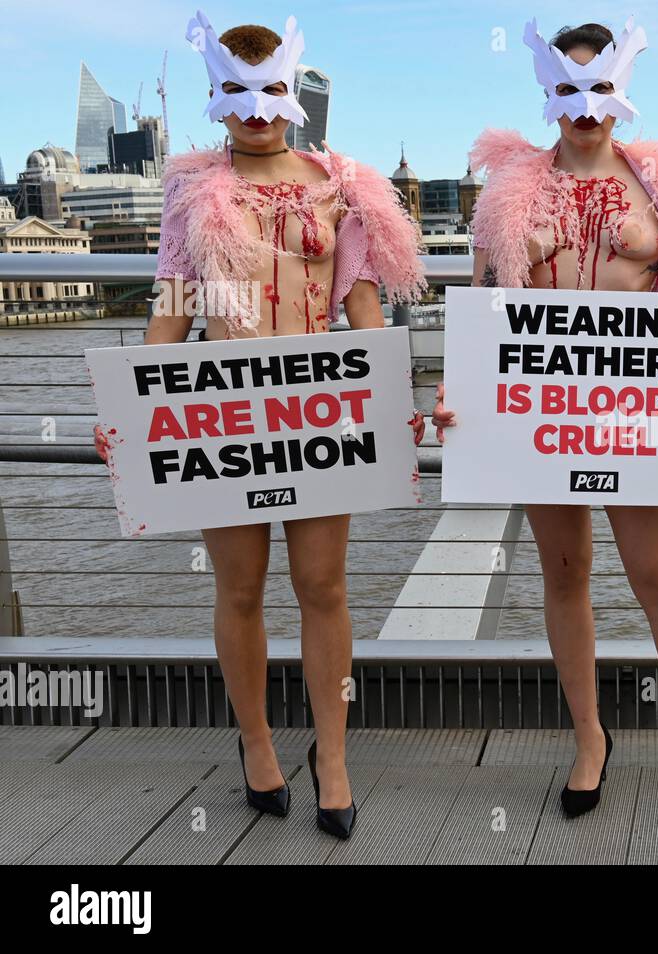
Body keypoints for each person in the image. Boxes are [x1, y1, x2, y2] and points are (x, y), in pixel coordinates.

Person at [94, 11, 427, 840]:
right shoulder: (190, 192)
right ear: (214, 95)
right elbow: (173, 310)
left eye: (269, 89)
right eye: (234, 92)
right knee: (238, 588)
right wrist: (130, 411)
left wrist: (395, 396)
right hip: (220, 412)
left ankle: (335, 754)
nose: (253, 107)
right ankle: (254, 742)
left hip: (317, 403)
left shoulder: (342, 186)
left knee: (324, 586)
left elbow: (361, 303)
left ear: (295, 93)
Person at [434, 17, 658, 852]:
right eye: (569, 87)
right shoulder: (509, 195)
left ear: (623, 92)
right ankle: (590, 739)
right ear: (546, 92)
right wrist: (451, 391)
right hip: (545, 419)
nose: (586, 106)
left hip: (639, 419)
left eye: (600, 86)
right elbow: (478, 311)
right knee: (565, 572)